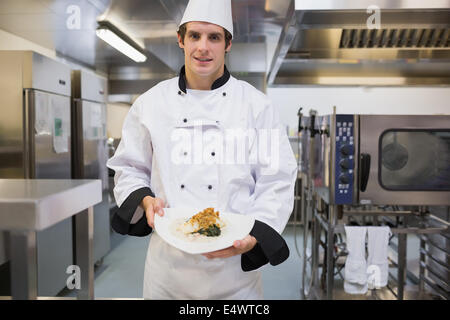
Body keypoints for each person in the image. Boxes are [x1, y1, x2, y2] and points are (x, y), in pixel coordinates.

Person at [107, 0, 298, 299]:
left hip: (233, 271)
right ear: (181, 40)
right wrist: (144, 200)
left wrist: (254, 235)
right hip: (167, 272)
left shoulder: (257, 106)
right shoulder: (151, 103)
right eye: (195, 36)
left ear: (228, 44)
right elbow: (129, 167)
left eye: (214, 37)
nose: (203, 48)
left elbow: (278, 179)